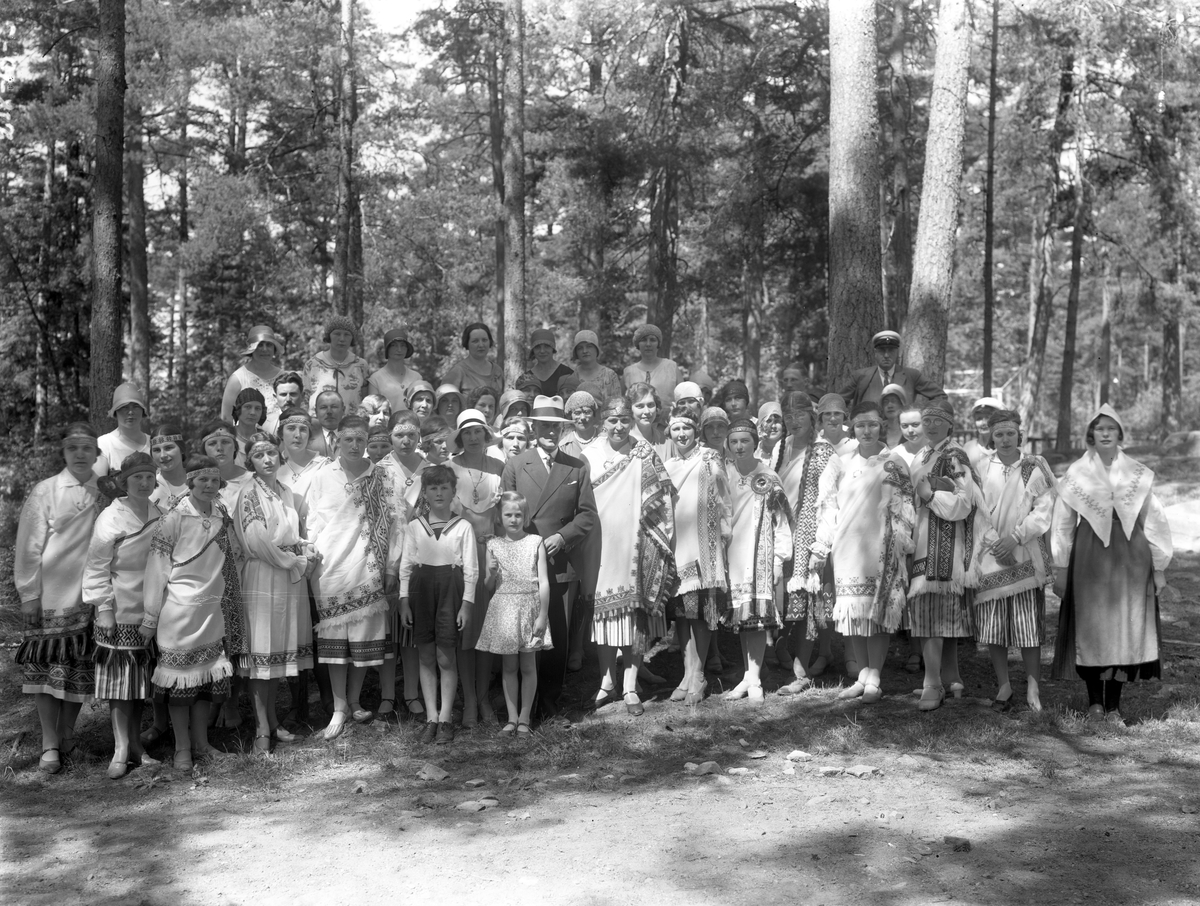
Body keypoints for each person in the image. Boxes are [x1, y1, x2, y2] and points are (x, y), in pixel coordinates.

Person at [1050, 405, 1174, 724]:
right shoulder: (1077, 473)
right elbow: (1063, 523)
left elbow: (1154, 520)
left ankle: (1114, 707)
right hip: (1089, 554)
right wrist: (1060, 567)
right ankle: (1095, 704)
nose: (1105, 433)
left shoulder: (1137, 473)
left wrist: (1159, 568)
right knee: (1092, 626)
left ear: (1120, 434)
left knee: (1123, 627)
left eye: (1111, 428)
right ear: (1091, 434)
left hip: (1130, 554)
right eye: (1099, 428)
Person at [140, 454, 248, 772]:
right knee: (179, 686)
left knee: (203, 683)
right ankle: (182, 749)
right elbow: (156, 570)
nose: (209, 485)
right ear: (190, 482)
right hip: (178, 613)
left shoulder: (221, 515)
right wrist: (150, 617)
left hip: (211, 612)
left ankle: (202, 744)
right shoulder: (173, 519)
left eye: (214, 480)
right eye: (203, 480)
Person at [306, 416, 406, 740]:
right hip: (331, 569)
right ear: (337, 439)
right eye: (348, 439)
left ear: (367, 440)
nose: (354, 445)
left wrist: (391, 568)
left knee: (362, 637)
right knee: (336, 638)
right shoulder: (322, 476)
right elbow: (312, 523)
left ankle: (353, 701)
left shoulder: (383, 477)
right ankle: (338, 707)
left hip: (370, 567)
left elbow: (397, 525)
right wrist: (309, 553)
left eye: (360, 439)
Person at [809, 402, 914, 703]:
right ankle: (862, 675)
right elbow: (828, 506)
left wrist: (900, 545)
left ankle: (875, 677)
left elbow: (905, 508)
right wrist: (823, 544)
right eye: (860, 425)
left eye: (872, 424)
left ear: (882, 425)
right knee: (852, 612)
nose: (866, 431)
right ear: (852, 427)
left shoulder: (894, 462)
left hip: (881, 547)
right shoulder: (840, 461)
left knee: (877, 612)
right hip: (846, 548)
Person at [501, 395, 598, 719]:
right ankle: (522, 707)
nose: (550, 432)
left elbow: (587, 515)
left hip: (559, 563)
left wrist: (562, 536)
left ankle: (550, 703)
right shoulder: (517, 464)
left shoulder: (576, 465)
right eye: (544, 426)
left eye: (556, 427)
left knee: (556, 633)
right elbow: (506, 513)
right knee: (525, 635)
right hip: (523, 562)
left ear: (562, 430)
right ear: (534, 428)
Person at [15, 422, 104, 774]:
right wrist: (29, 594)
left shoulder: (107, 490)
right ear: (63, 452)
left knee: (79, 669)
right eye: (73, 448)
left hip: (90, 596)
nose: (80, 454)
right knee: (46, 670)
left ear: (96, 453)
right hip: (50, 595)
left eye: (87, 447)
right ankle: (49, 742)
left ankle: (67, 735)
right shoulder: (46, 490)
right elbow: (28, 545)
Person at [580, 397, 676, 716]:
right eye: (613, 420)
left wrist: (662, 534)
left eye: (624, 420)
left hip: (636, 542)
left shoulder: (643, 451)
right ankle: (607, 681)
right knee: (604, 614)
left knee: (635, 615)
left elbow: (663, 494)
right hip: (600, 543)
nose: (619, 426)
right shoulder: (589, 455)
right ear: (602, 422)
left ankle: (630, 686)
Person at [84, 452, 165, 778]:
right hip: (118, 610)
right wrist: (103, 608)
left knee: (139, 684)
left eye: (149, 477)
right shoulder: (111, 517)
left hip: (149, 610)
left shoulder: (159, 513)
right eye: (137, 478)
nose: (144, 483)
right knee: (120, 685)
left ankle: (136, 747)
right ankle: (120, 748)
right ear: (124, 482)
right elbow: (96, 566)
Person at [236, 432, 316, 754]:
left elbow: (289, 533)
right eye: (259, 455)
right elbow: (258, 541)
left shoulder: (285, 490)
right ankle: (261, 730)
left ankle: (271, 721)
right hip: (265, 574)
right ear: (250, 461)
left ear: (279, 454)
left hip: (288, 576)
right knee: (262, 651)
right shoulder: (249, 493)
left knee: (277, 651)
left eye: (271, 452)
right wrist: (294, 562)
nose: (267, 459)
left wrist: (305, 548)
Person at [974, 410, 1056, 713]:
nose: (1005, 439)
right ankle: (1004, 685)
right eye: (999, 434)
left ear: (1019, 435)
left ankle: (1033, 688)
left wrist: (1015, 538)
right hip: (991, 554)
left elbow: (1044, 509)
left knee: (1027, 625)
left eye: (1010, 433)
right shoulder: (982, 467)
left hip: (1024, 552)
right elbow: (977, 510)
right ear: (991, 436)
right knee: (994, 625)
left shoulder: (1034, 465)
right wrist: (997, 544)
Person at [908, 399, 982, 712]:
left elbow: (965, 502)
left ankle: (932, 683)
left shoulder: (954, 455)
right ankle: (952, 678)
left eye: (939, 420)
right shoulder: (924, 454)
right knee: (942, 614)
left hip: (945, 543)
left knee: (932, 613)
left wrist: (930, 496)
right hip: (924, 538)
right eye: (927, 420)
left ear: (950, 423)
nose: (932, 425)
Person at [398, 465, 479, 745]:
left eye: (445, 487)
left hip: (450, 591)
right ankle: (431, 717)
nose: (439, 493)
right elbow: (405, 566)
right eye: (433, 488)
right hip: (421, 591)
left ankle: (446, 718)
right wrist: (404, 600)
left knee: (446, 656)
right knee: (425, 656)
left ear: (454, 491)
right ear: (425, 493)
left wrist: (467, 604)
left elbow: (472, 569)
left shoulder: (463, 526)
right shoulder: (415, 526)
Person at [663, 407, 730, 705]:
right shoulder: (667, 465)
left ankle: (699, 674)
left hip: (703, 545)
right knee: (682, 614)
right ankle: (687, 674)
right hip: (677, 544)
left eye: (687, 428)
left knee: (700, 613)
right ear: (670, 432)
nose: (682, 434)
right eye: (676, 429)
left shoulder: (709, 458)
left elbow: (724, 499)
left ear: (695, 431)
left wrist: (724, 533)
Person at [722, 418, 792, 702]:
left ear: (755, 442)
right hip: (732, 555)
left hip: (759, 554)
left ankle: (754, 681)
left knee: (756, 619)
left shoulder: (768, 477)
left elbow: (781, 522)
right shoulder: (724, 473)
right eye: (734, 442)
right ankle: (748, 676)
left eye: (745, 441)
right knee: (742, 617)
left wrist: (779, 559)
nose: (739, 446)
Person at [776, 393, 837, 695]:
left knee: (805, 597)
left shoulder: (823, 451)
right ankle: (778, 652)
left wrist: (820, 545)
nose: (794, 420)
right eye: (788, 415)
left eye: (800, 414)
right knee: (779, 597)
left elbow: (829, 502)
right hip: (779, 532)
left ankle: (802, 668)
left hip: (807, 534)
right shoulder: (781, 447)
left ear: (812, 417)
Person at [477, 492, 551, 737]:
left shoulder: (535, 542)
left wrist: (542, 615)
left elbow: (544, 581)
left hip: (529, 607)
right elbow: (488, 586)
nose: (513, 519)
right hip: (504, 609)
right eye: (508, 514)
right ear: (499, 517)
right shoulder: (493, 545)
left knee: (528, 665)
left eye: (518, 514)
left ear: (525, 516)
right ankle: (511, 719)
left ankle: (525, 719)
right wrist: (490, 572)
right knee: (509, 666)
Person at [449, 409, 504, 728]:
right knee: (464, 631)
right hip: (459, 557)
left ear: (486, 435)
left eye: (478, 432)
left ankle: (483, 699)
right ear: (459, 437)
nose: (472, 437)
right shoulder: (447, 468)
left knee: (486, 631)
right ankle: (469, 700)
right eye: (466, 432)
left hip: (491, 556)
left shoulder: (499, 467)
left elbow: (508, 513)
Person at [838, 330, 948, 412]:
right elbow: (838, 401)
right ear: (875, 353)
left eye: (891, 350)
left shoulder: (912, 376)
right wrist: (849, 421)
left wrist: (920, 415)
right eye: (882, 351)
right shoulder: (861, 376)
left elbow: (939, 396)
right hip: (869, 433)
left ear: (897, 353)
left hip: (902, 433)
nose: (886, 355)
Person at [301, 315, 371, 413]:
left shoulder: (361, 365)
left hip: (351, 421)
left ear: (352, 338)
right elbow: (305, 399)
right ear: (329, 336)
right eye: (337, 334)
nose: (342, 339)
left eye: (347, 334)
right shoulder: (312, 364)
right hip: (318, 421)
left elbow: (366, 400)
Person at [221, 325, 286, 425]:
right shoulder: (237, 379)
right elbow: (226, 418)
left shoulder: (284, 377)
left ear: (274, 348)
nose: (265, 349)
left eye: (269, 345)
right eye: (260, 345)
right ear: (252, 349)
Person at [199, 419, 253, 521]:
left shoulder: (254, 481)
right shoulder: (196, 486)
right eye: (212, 443)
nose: (219, 448)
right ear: (204, 450)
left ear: (235, 447)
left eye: (225, 442)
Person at [95, 382, 150, 477]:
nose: (130, 412)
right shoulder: (104, 444)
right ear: (115, 412)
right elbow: (98, 483)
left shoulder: (154, 444)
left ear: (143, 411)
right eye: (124, 407)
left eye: (136, 406)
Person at [276, 407, 329, 501]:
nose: (298, 435)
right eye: (291, 428)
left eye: (303, 429)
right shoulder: (273, 466)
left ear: (309, 435)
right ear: (281, 434)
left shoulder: (324, 466)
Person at [367, 328, 425, 413]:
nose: (399, 349)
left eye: (403, 345)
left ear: (407, 349)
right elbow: (373, 412)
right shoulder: (375, 380)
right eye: (394, 345)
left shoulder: (417, 378)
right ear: (387, 349)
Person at [622, 324, 678, 411]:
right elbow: (622, 403)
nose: (648, 344)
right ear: (638, 344)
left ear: (658, 343)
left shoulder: (672, 367)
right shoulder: (628, 372)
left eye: (652, 340)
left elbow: (683, 398)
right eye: (643, 340)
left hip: (669, 419)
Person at [442, 322, 505, 395]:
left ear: (490, 342)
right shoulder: (457, 372)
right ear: (467, 343)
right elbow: (444, 399)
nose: (481, 345)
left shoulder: (497, 371)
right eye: (475, 341)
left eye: (484, 340)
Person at [561, 330, 622, 402]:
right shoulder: (572, 376)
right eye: (580, 348)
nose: (585, 351)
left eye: (589, 346)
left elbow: (617, 404)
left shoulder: (610, 376)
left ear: (596, 349)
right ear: (576, 352)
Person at [519, 327, 574, 397]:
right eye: (538, 347)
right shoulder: (526, 378)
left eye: (546, 346)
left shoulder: (568, 374)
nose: (542, 351)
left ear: (553, 348)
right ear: (533, 350)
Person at [149, 424, 190, 511]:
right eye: (156, 450)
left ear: (182, 449)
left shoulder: (201, 482)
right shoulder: (148, 487)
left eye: (168, 448)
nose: (163, 455)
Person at [627, 381, 668, 457]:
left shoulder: (666, 441)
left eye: (650, 405)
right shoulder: (623, 441)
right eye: (640, 406)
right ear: (630, 409)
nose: (647, 411)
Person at [963, 396, 1005, 469]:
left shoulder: (1009, 448)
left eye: (988, 418)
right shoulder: (968, 448)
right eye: (979, 419)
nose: (983, 423)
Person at [307, 390, 346, 458]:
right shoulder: (307, 437)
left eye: (334, 407)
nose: (329, 412)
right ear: (316, 412)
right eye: (323, 407)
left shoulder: (353, 435)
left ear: (343, 410)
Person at [232, 388, 267, 460]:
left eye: (257, 408)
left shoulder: (267, 439)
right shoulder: (228, 436)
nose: (253, 413)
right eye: (248, 407)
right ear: (238, 409)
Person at [561, 390, 600, 454]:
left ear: (594, 414)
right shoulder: (564, 446)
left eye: (587, 412)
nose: (582, 418)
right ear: (571, 416)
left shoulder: (605, 438)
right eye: (577, 413)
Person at [756, 401, 786, 469]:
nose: (773, 426)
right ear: (760, 425)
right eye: (768, 421)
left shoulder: (789, 452)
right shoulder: (753, 452)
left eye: (777, 421)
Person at [880, 383, 909, 449]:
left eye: (894, 401)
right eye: (885, 402)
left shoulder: (911, 429)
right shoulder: (879, 431)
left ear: (902, 404)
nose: (889, 406)